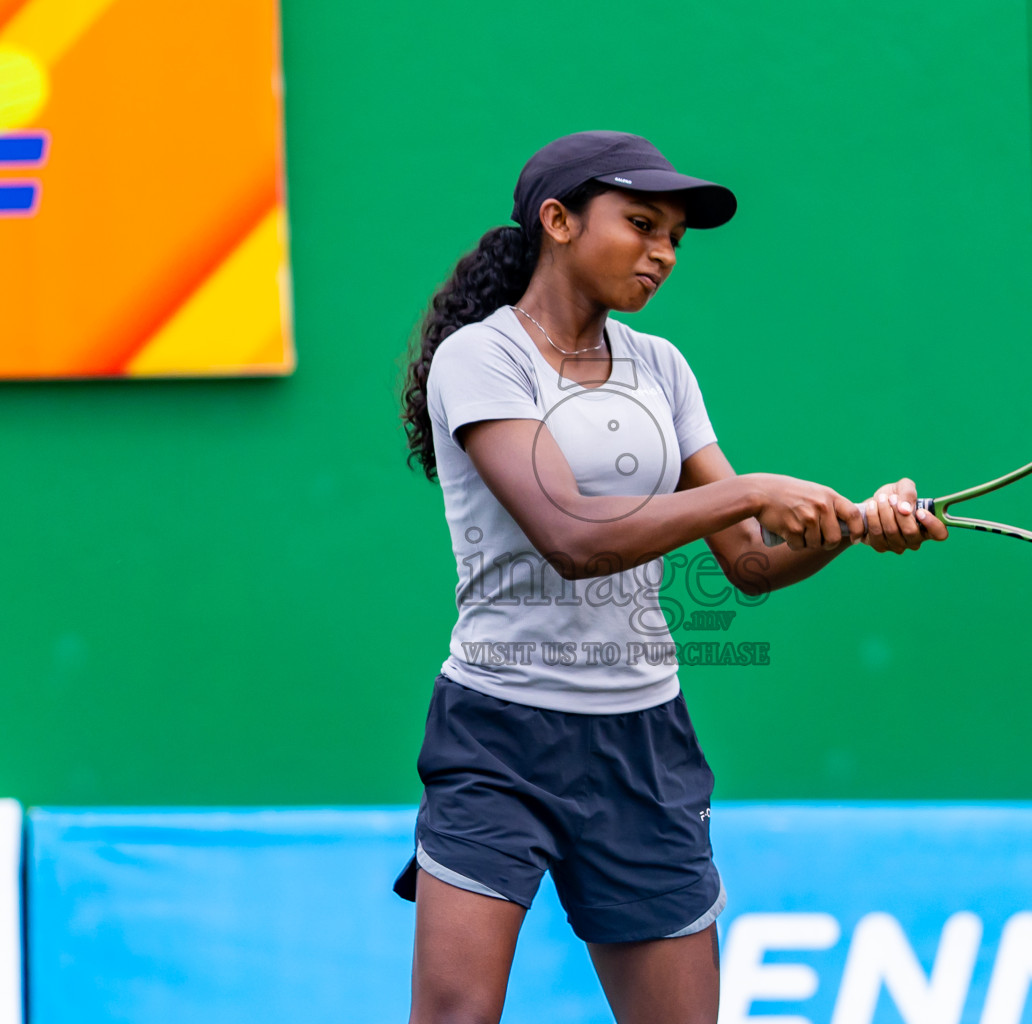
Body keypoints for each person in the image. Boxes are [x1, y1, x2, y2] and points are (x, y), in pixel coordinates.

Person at [395, 129, 947, 1024]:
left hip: (643, 744)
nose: (661, 253)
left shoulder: (662, 367)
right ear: (559, 220)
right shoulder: (480, 358)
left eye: (675, 240)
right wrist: (758, 490)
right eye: (642, 224)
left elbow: (752, 561)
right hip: (497, 738)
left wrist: (853, 527)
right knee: (456, 1014)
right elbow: (571, 535)